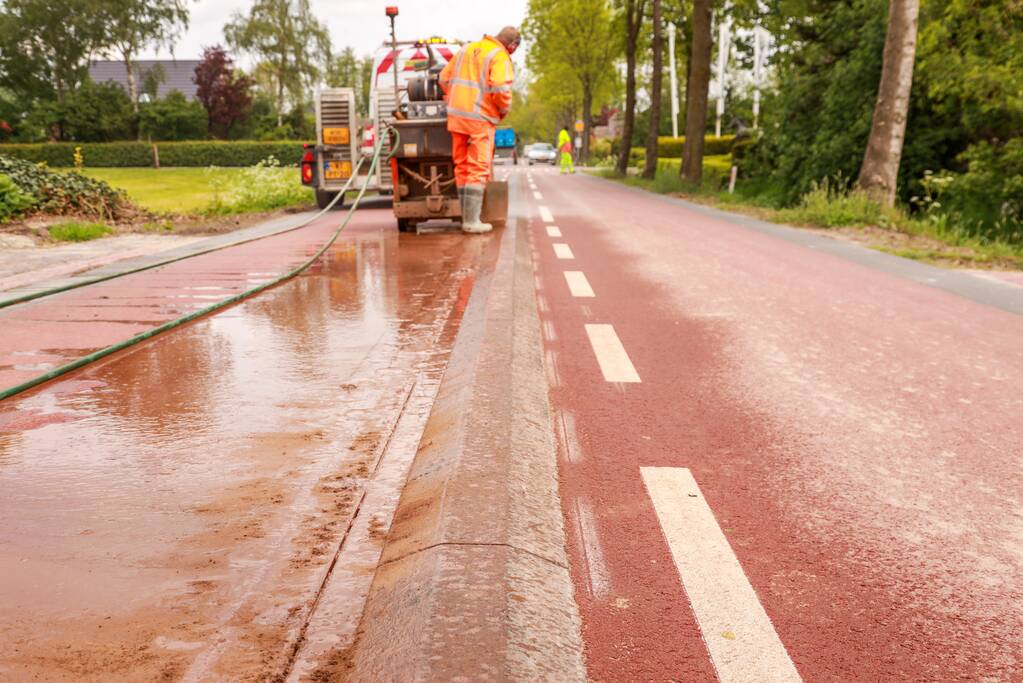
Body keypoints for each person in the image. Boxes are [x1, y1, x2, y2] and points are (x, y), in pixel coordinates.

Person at [440, 26, 520, 233]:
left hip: (456, 116)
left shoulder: (466, 48)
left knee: (462, 165)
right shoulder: (499, 55)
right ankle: (471, 221)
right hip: (480, 118)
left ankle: (466, 219)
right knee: (478, 167)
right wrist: (503, 109)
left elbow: (443, 78)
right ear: (512, 46)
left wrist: (456, 99)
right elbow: (500, 87)